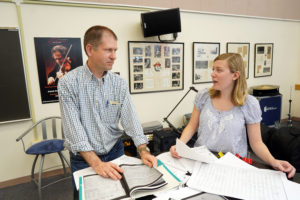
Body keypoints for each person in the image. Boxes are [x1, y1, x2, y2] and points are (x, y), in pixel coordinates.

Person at [58, 25, 157, 199]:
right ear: (90, 49)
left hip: (115, 151)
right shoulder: (68, 83)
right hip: (84, 158)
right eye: (108, 50)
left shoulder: (118, 83)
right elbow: (74, 130)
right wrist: (96, 163)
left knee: (122, 195)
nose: (114, 56)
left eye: (115, 50)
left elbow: (130, 118)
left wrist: (143, 149)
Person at [170, 53, 296, 178]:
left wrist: (273, 162)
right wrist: (180, 145)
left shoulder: (249, 104)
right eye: (213, 69)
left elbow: (256, 142)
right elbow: (192, 126)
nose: (213, 73)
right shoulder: (203, 96)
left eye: (219, 70)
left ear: (235, 75)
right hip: (201, 161)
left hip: (232, 165)